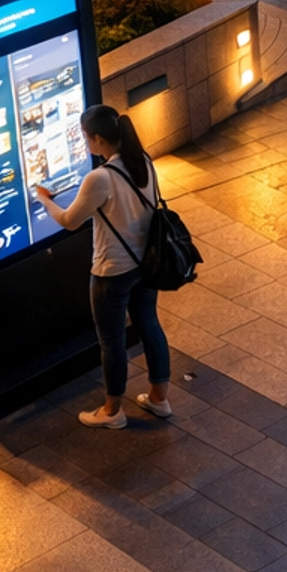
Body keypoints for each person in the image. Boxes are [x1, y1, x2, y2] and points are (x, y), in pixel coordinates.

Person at [34, 104, 170, 430]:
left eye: (85, 137)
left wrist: (44, 200)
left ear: (97, 139)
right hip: (146, 264)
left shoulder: (100, 177)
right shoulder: (144, 161)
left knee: (111, 343)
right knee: (149, 325)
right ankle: (158, 398)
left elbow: (69, 221)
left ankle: (112, 412)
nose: (85, 144)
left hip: (112, 272)